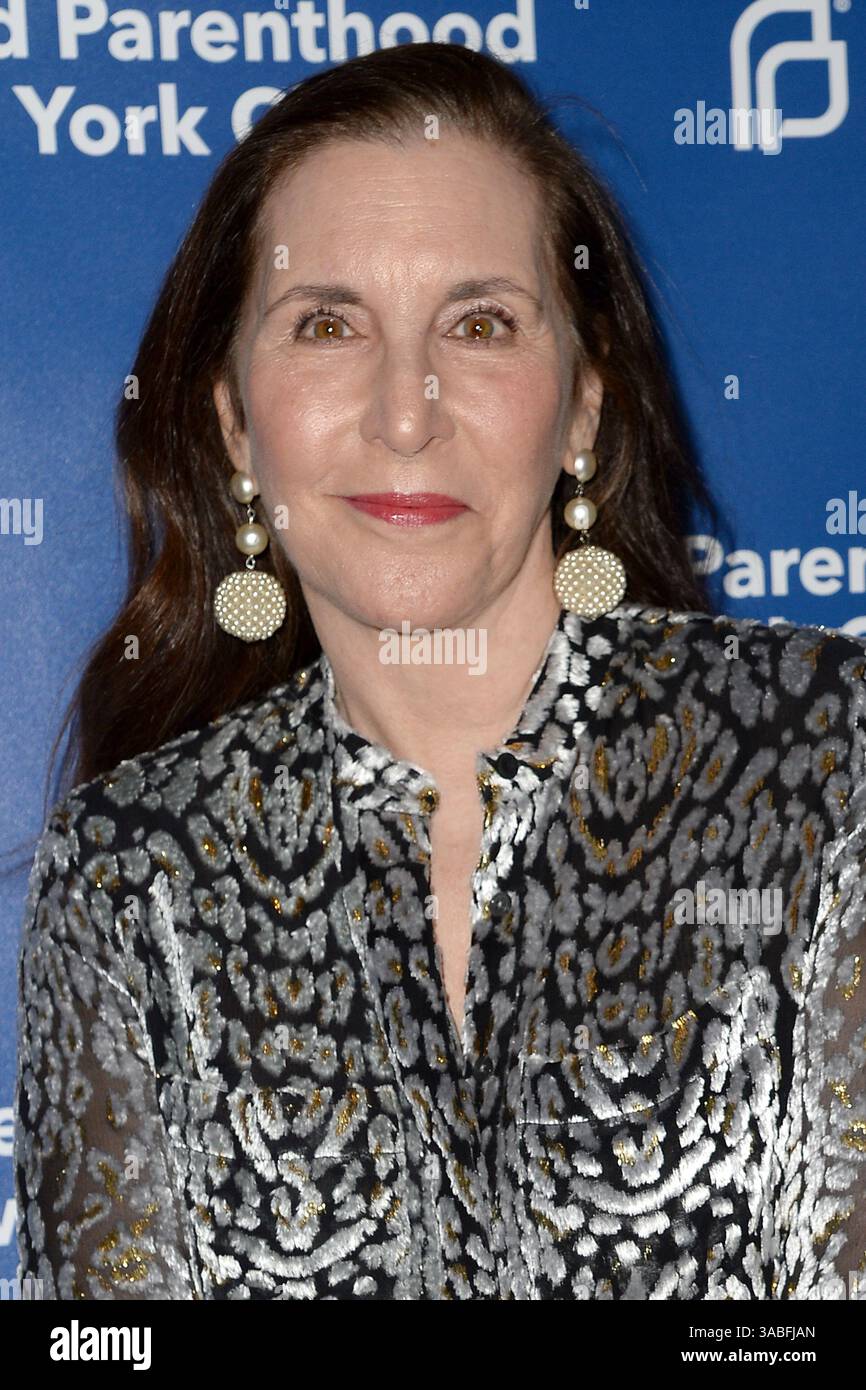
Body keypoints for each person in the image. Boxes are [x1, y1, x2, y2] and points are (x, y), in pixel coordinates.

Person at [14, 41, 865, 1301]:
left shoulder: (825, 763)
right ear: (235, 423)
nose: (405, 412)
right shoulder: (126, 875)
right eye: (326, 324)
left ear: (581, 408)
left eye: (478, 325)